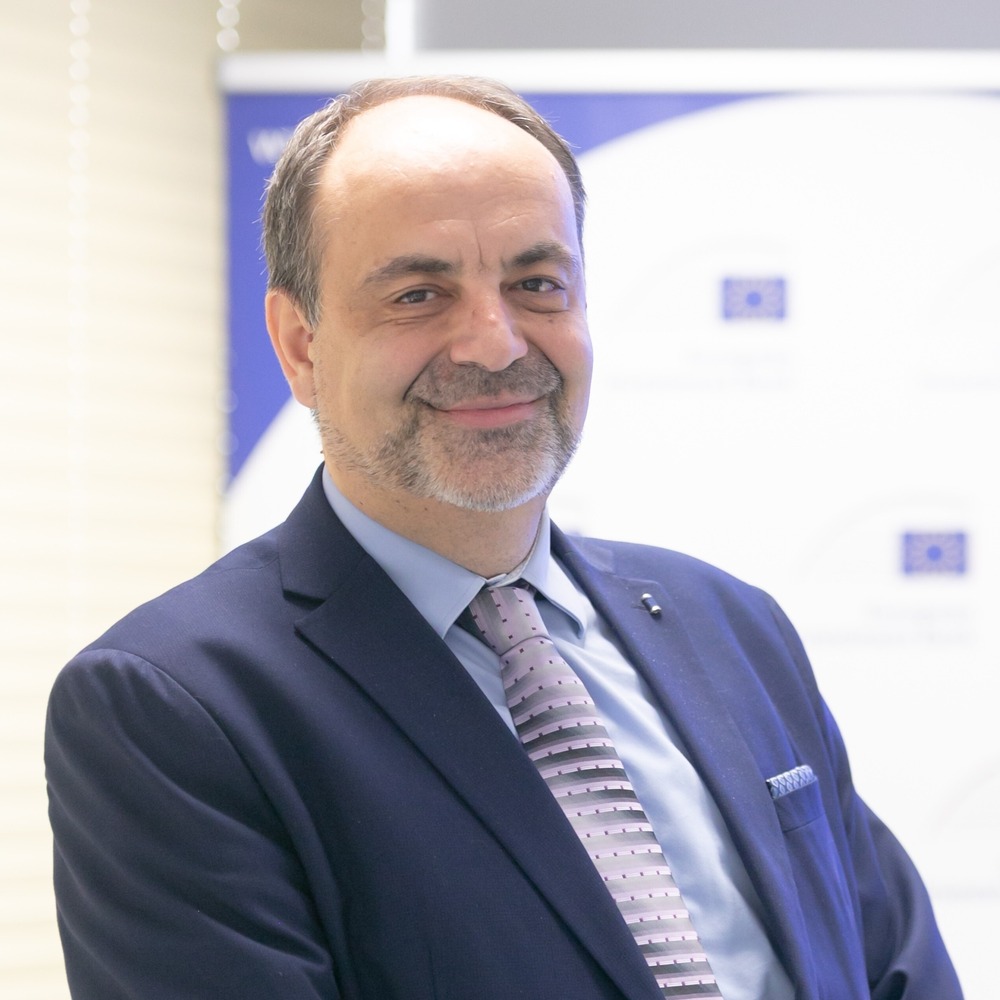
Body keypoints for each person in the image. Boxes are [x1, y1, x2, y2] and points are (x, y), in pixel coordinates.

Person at [45, 76, 962, 1000]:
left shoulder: (730, 627)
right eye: (418, 294)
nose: (496, 343)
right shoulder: (177, 708)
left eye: (536, 285)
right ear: (299, 345)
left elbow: (893, 967)